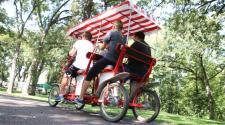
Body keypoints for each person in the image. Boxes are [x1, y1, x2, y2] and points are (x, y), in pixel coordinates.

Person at [74, 20, 126, 104]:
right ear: (121, 28)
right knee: (100, 71)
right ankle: (99, 94)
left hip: (108, 59)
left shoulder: (111, 33)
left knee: (90, 74)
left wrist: (99, 45)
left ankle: (80, 98)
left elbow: (102, 47)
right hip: (117, 62)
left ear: (114, 26)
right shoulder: (124, 38)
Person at [56, 31, 94, 101]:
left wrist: (71, 50)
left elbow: (71, 53)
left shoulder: (79, 42)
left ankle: (61, 95)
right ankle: (78, 95)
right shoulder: (92, 45)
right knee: (79, 77)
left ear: (83, 37)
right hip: (88, 68)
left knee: (66, 75)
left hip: (78, 65)